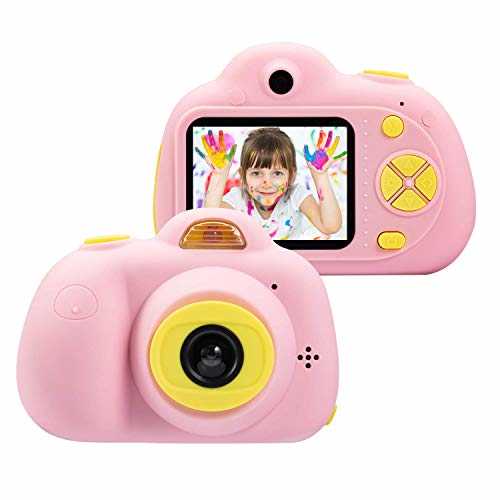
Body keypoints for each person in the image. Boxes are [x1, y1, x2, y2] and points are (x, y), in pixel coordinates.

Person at [201, 127, 342, 240]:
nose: (267, 183)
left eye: (277, 173)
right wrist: (219, 175)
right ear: (243, 176)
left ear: (291, 176)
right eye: (256, 173)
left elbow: (330, 226)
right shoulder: (238, 198)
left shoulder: (295, 195)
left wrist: (320, 176)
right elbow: (211, 226)